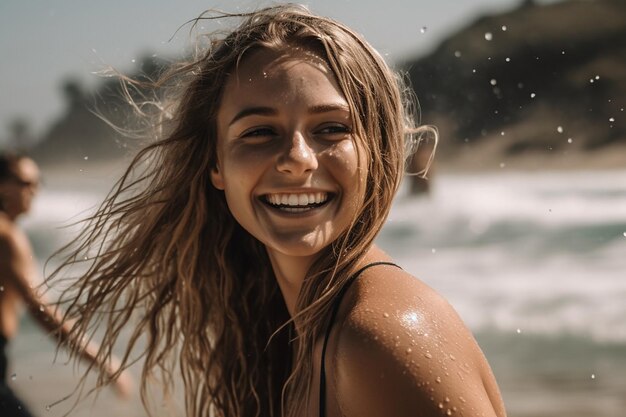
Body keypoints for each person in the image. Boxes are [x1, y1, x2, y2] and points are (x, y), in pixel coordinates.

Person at [49, 5, 507, 417]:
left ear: (377, 150)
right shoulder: (292, 328)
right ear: (216, 164)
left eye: (330, 128)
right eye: (259, 132)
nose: (297, 158)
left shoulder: (380, 335)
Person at [0, 153, 131, 416]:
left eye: (39, 182)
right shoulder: (8, 237)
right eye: (26, 183)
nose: (35, 190)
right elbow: (41, 310)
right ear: (2, 185)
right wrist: (101, 361)